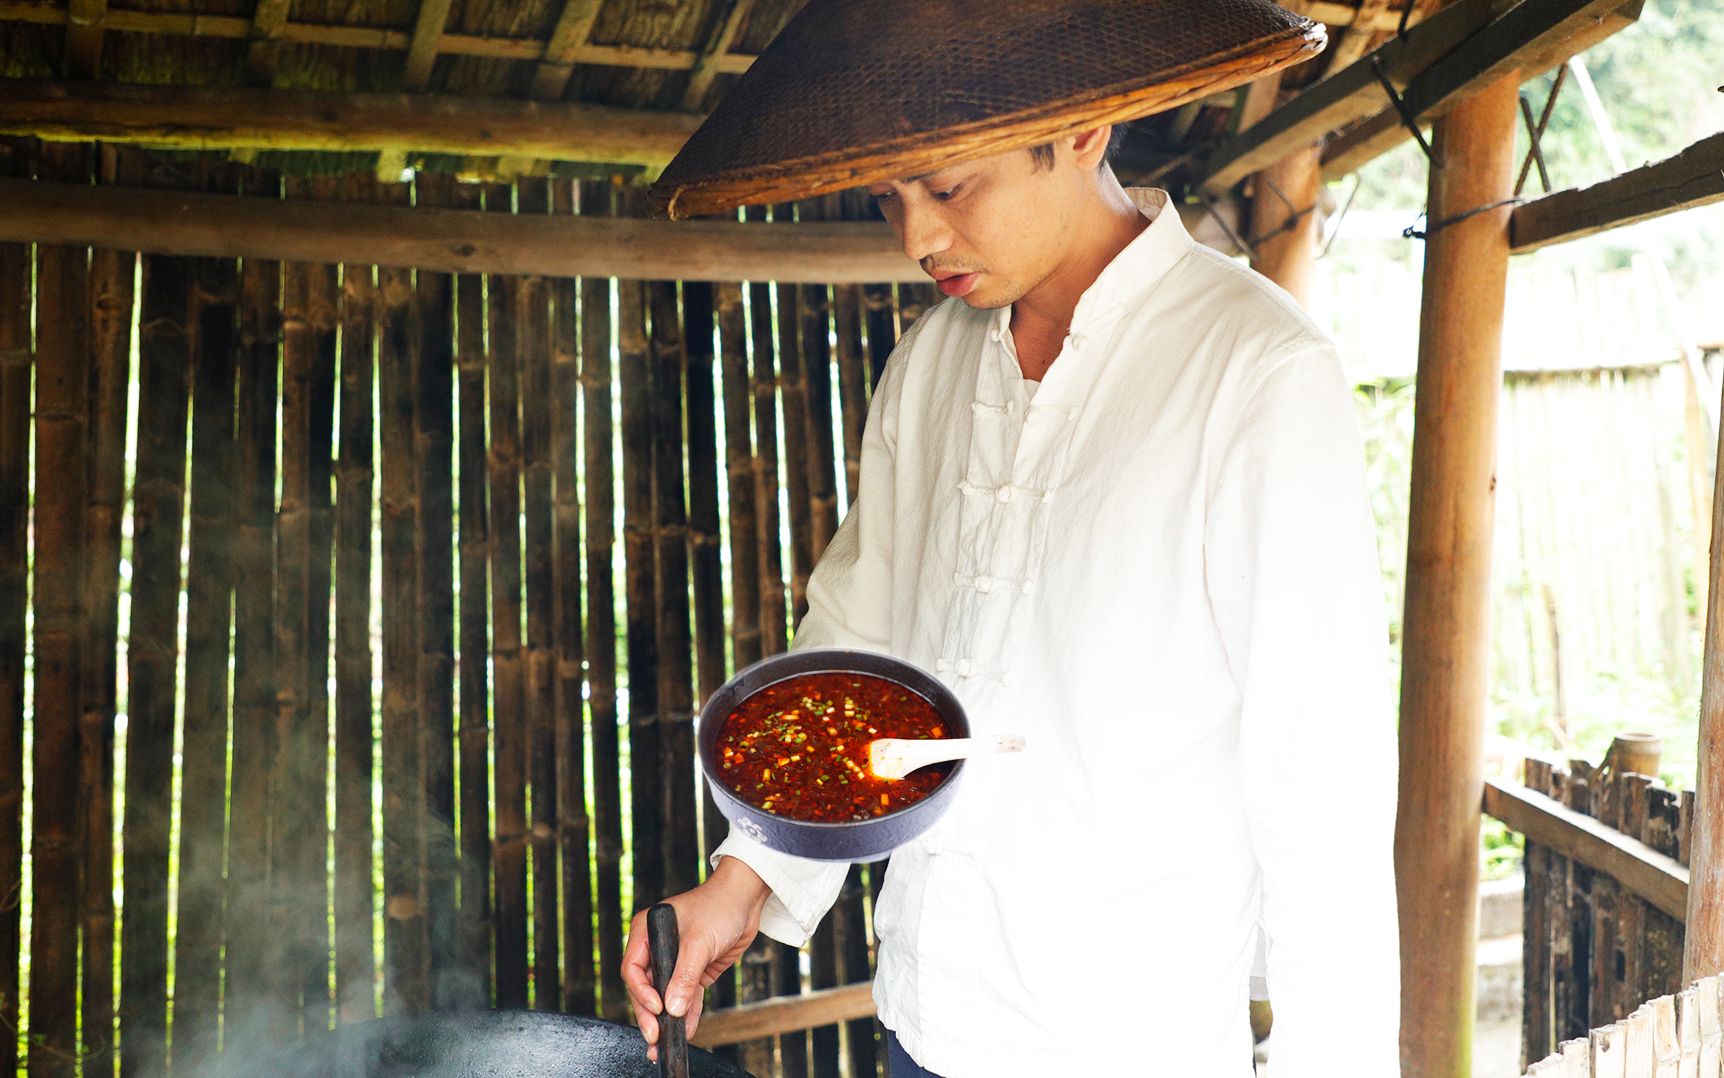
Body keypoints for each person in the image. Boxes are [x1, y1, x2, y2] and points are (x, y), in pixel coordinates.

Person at [626, 3, 1400, 1075]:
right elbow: (862, 648)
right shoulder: (929, 365)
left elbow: (1320, 782)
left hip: (1124, 1043)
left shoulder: (1254, 369)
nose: (918, 238)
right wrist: (744, 874)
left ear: (1083, 128)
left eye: (946, 186)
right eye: (888, 195)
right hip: (924, 1019)